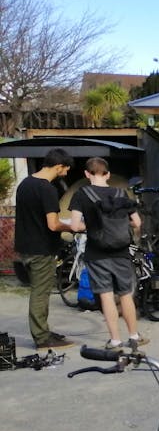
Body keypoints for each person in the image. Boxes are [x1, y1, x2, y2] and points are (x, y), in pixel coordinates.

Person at [69, 157, 148, 352]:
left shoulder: (81, 195)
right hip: (121, 251)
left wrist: (94, 225)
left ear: (87, 174)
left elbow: (74, 226)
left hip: (97, 253)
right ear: (108, 174)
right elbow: (137, 223)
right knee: (126, 295)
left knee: (106, 295)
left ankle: (115, 341)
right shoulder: (121, 193)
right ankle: (134, 336)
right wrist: (120, 224)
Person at [14, 147, 76, 349]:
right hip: (41, 248)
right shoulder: (47, 189)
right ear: (58, 167)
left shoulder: (25, 184)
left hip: (26, 245)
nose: (66, 173)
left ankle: (44, 330)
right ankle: (41, 337)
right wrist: (73, 227)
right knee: (40, 293)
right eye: (65, 169)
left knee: (39, 290)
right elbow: (53, 224)